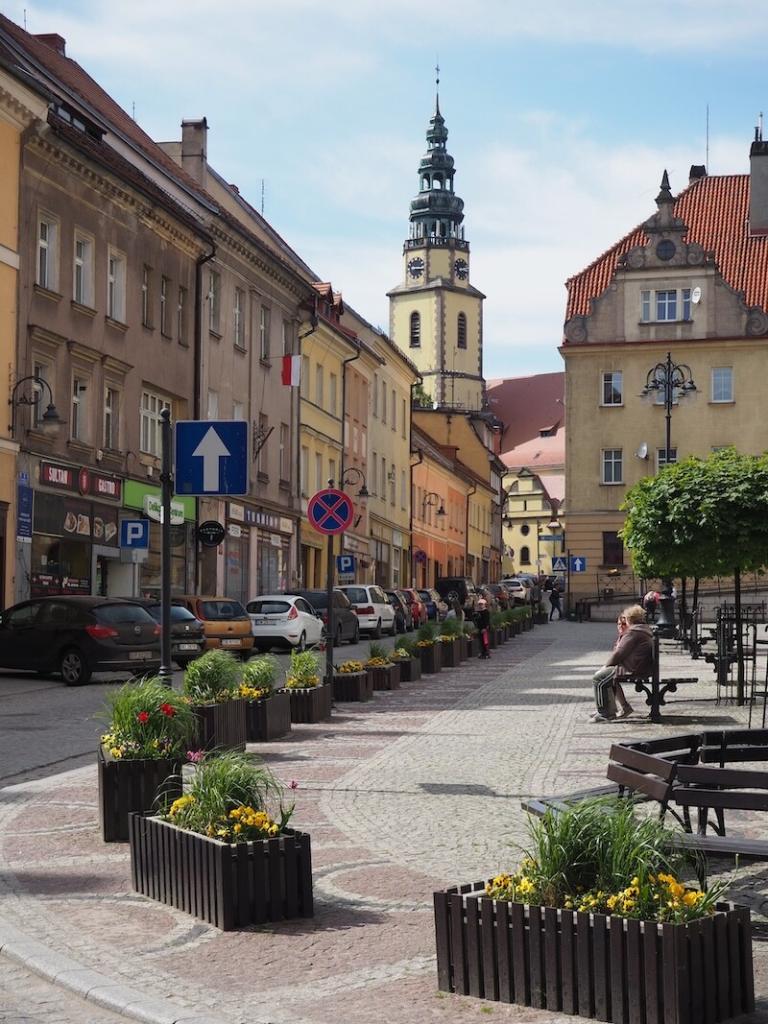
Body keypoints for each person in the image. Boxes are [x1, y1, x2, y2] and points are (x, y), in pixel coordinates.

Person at [591, 604, 653, 722]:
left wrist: (606, 666)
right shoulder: (643, 630)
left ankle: (605, 713)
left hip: (632, 668)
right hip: (640, 667)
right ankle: (607, 708)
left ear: (630, 619)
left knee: (599, 677)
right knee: (608, 677)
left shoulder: (633, 632)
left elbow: (619, 653)